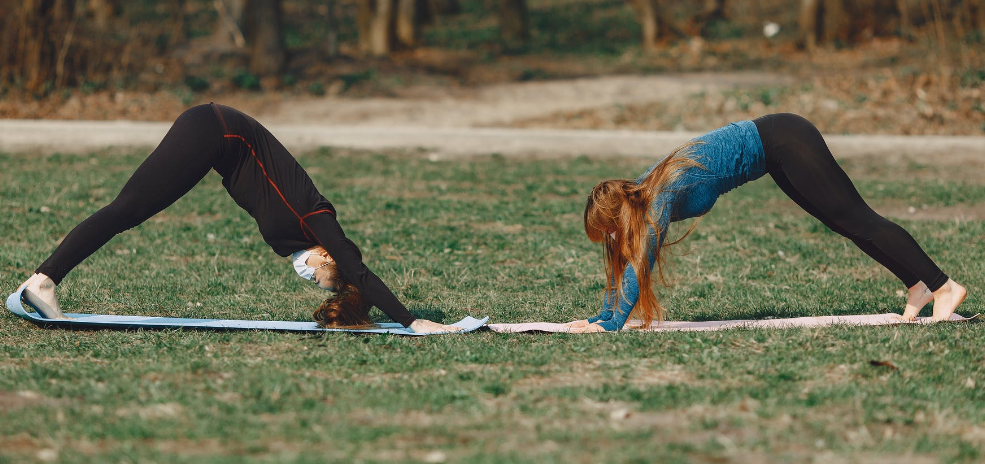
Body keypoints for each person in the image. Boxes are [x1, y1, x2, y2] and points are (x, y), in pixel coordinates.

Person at [16, 103, 461, 333]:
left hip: (215, 139)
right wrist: (410, 320)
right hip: (215, 130)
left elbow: (351, 283)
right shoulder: (318, 218)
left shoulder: (294, 241)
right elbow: (358, 270)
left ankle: (41, 281)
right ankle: (43, 281)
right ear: (328, 254)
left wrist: (344, 312)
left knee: (127, 210)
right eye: (321, 277)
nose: (309, 278)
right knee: (127, 209)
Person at [567, 113, 966, 333]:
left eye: (610, 229)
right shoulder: (642, 192)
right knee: (845, 224)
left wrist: (614, 324)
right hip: (774, 155)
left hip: (785, 139)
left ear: (620, 211)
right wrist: (600, 317)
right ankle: (917, 286)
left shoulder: (658, 195)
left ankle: (943, 285)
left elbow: (639, 261)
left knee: (858, 219)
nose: (613, 238)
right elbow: (625, 259)